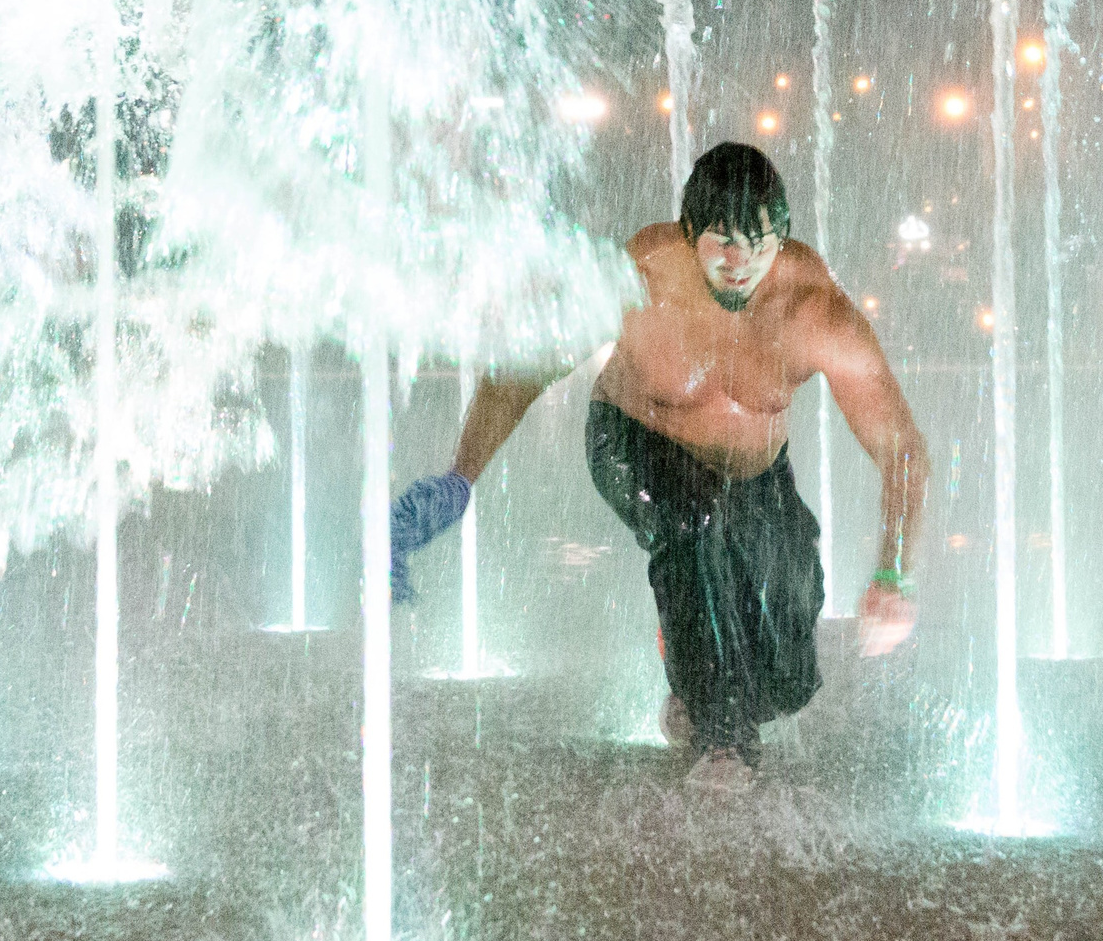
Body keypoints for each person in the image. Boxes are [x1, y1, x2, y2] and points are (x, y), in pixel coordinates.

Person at [389, 142, 927, 791]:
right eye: (722, 243)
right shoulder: (640, 277)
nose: (740, 263)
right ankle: (724, 736)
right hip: (635, 437)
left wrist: (893, 567)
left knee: (788, 667)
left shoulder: (816, 312)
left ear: (781, 236)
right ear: (688, 232)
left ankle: (694, 661)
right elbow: (521, 372)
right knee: (694, 527)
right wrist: (461, 473)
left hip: (754, 472)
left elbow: (899, 446)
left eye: (759, 243)